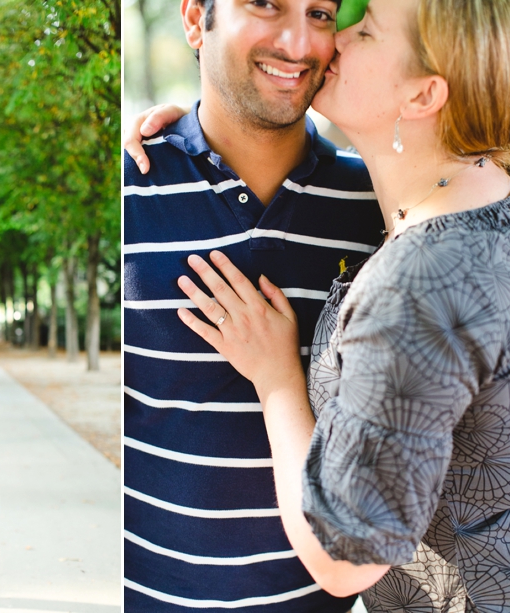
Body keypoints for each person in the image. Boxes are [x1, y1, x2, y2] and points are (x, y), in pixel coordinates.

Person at [138, 0, 510, 609]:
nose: (321, 42)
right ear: (196, 18)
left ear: (424, 95)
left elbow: (346, 561)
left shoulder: (410, 265)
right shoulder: (499, 201)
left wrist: (277, 381)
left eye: (352, 24)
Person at [123, 0, 385, 610]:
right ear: (195, 19)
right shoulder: (129, 191)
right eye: (265, 4)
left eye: (320, 13)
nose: (297, 42)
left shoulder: (376, 207)